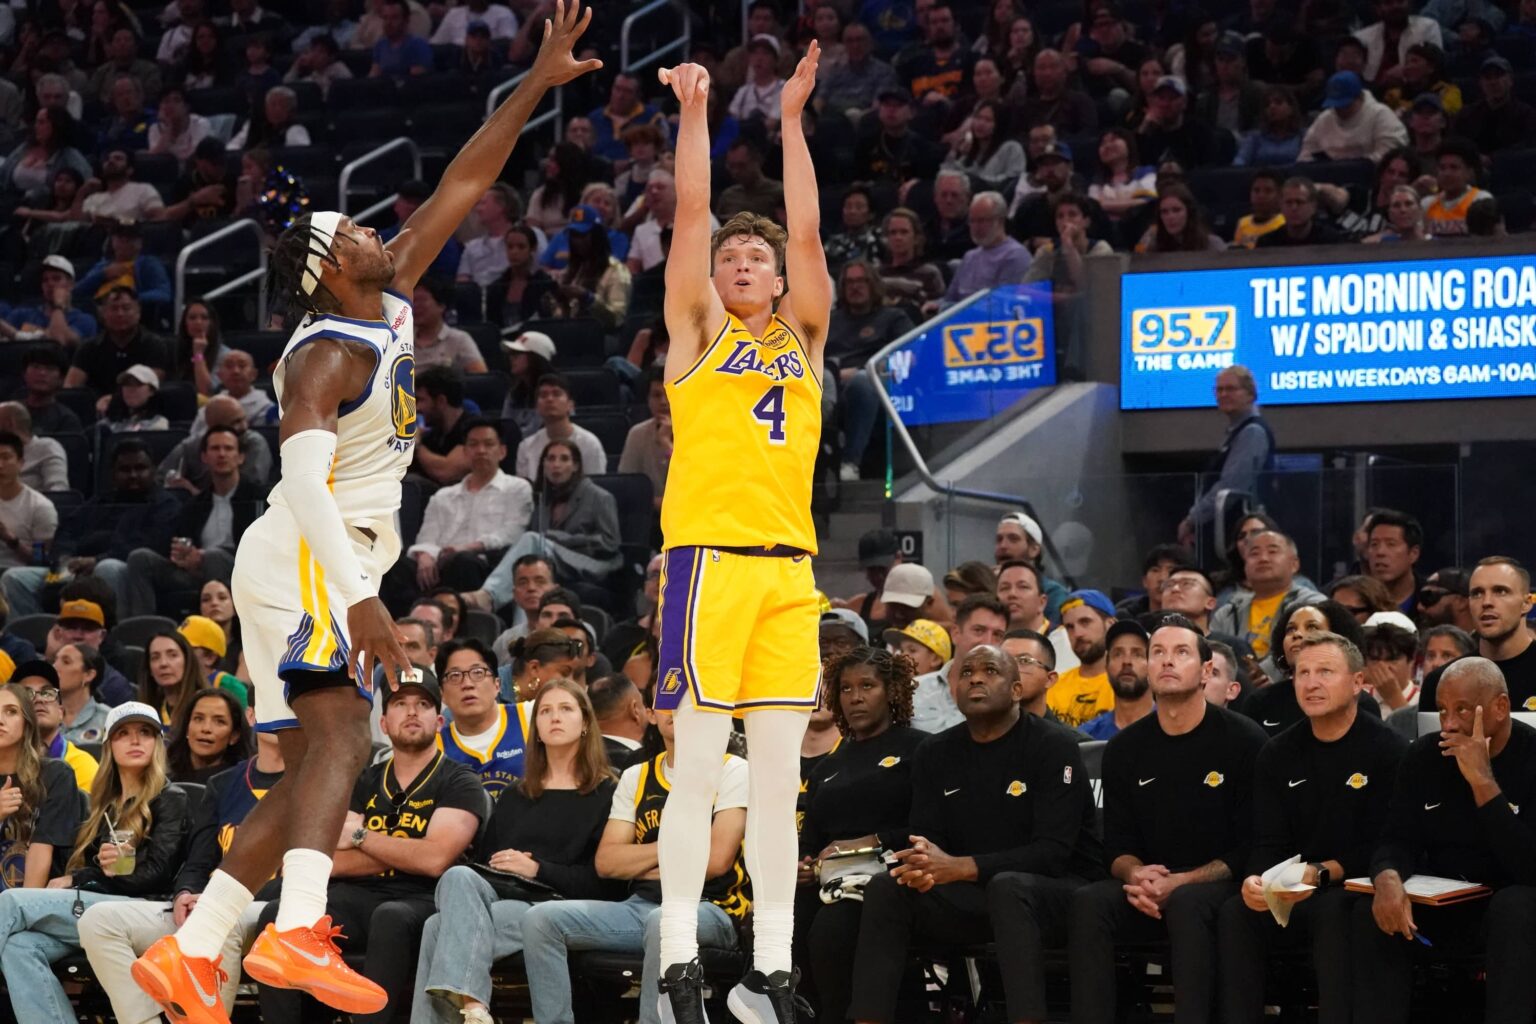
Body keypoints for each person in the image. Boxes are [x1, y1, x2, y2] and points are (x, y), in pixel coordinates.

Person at [130, 10, 602, 1022]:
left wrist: (535, 82)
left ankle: (194, 947)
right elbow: (298, 484)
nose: (378, 236)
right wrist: (362, 602)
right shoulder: (324, 354)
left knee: (307, 767)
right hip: (310, 551)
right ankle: (297, 930)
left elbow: (463, 184)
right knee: (347, 730)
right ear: (326, 272)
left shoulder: (380, 301)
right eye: (355, 236)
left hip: (307, 559)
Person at [648, 45, 831, 1022]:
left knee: (776, 784)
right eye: (732, 256)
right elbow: (688, 215)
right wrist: (694, 111)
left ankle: (773, 968)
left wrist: (794, 119)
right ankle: (679, 953)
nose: (745, 260)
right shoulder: (699, 333)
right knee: (697, 765)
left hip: (789, 573)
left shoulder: (803, 336)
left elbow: (806, 230)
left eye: (756, 255)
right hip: (709, 564)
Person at [840, 643, 1100, 1024]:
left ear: (1015, 690)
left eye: (990, 671)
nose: (976, 678)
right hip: (976, 897)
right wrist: (919, 866)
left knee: (1009, 887)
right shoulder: (935, 752)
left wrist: (961, 867)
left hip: (1056, 894)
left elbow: (1053, 852)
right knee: (888, 888)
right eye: (966, 672)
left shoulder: (1053, 745)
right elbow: (925, 838)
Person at [254, 667, 484, 1024]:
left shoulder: (459, 780)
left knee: (390, 917)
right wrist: (408, 849)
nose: (411, 712)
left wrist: (361, 838)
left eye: (422, 704)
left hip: (424, 897)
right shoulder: (363, 780)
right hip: (356, 896)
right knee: (279, 916)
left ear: (439, 721)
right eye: (400, 704)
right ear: (385, 723)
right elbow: (324, 859)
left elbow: (435, 860)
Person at [1069, 616, 1269, 1024]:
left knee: (1186, 903)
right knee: (1090, 901)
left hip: (1221, 885)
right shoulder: (1124, 748)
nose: (1166, 662)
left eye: (1181, 653)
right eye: (1156, 653)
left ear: (1206, 670)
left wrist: (1180, 881)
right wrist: (1137, 874)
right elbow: (1116, 846)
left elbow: (1253, 844)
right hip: (1151, 885)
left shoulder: (1246, 741)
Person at [1218, 631, 1407, 1024]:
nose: (1311, 683)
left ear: (1358, 683)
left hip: (1351, 886)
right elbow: (1267, 840)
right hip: (1293, 884)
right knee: (1238, 911)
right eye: (1302, 673)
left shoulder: (1388, 749)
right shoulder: (1277, 752)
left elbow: (1385, 842)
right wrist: (1257, 879)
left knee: (1334, 910)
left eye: (1325, 671)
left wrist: (1321, 873)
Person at [410, 679, 616, 1024]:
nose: (554, 718)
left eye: (566, 709)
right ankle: (473, 1007)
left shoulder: (607, 792)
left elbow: (605, 884)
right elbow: (483, 866)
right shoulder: (515, 794)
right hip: (504, 898)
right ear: (535, 727)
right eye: (545, 711)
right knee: (458, 877)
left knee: (437, 928)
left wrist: (537, 869)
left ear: (585, 724)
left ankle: (472, 1005)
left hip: (557, 907)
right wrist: (505, 870)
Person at [1352, 657, 1536, 1023]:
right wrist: (1387, 879)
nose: (1449, 724)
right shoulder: (1424, 756)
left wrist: (1483, 782)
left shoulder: (1531, 755)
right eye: (1442, 711)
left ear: (1500, 707)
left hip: (1507, 908)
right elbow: (1396, 838)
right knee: (1369, 909)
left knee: (1517, 906)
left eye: (1463, 710)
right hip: (1442, 904)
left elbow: (1529, 868)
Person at [78, 729, 285, 1024]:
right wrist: (185, 893)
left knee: (219, 918)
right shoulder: (224, 784)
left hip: (264, 907)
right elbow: (199, 861)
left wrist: (220, 901)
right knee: (97, 921)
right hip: (205, 905)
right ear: (252, 716)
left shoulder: (316, 782)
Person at [0, 702, 190, 1023]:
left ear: (158, 744)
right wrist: (86, 875)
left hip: (148, 909)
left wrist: (90, 876)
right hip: (100, 909)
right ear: (109, 746)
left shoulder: (171, 798)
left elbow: (159, 876)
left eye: (145, 733)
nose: (134, 741)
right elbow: (96, 873)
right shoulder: (101, 805)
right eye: (123, 734)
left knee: (12, 902)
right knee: (20, 946)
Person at [121, 426, 260, 618]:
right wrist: (184, 556)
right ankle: (143, 626)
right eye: (215, 449)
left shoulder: (258, 498)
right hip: (196, 571)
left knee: (213, 556)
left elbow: (262, 548)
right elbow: (179, 540)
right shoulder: (195, 504)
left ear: (240, 457)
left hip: (240, 570)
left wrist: (203, 557)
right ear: (204, 457)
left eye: (228, 449)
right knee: (140, 558)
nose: (221, 454)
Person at [410, 419, 531, 594]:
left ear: (502, 452)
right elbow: (426, 538)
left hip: (485, 562)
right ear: (465, 452)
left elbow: (512, 533)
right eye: (473, 445)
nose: (481, 451)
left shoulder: (517, 488)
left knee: (463, 561)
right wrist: (424, 556)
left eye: (488, 444)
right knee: (400, 566)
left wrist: (469, 547)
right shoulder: (443, 496)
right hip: (440, 562)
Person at [1419, 556, 1536, 712]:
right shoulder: (1441, 682)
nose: (1486, 602)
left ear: (1527, 603)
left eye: (1500, 591)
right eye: (1477, 593)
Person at [1177, 366, 1274, 550]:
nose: (1223, 394)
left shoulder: (1252, 432)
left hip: (1236, 538)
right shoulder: (1233, 433)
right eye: (1219, 389)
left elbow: (1230, 486)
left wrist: (1192, 520)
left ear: (1250, 394)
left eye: (1230, 389)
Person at [1248, 600, 1378, 735]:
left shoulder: (1360, 702)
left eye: (1312, 627)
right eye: (1290, 629)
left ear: (1339, 638)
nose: (1297, 634)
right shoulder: (1260, 702)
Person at [0, 682, 83, 889]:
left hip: (35, 900)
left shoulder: (55, 775)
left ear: (27, 722)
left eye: (11, 712)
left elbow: (41, 850)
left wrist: (22, 912)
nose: (0, 720)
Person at [1210, 531, 1320, 660]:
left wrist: (1265, 673)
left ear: (1294, 564)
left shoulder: (1314, 605)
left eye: (1272, 551)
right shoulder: (1227, 612)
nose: (1263, 558)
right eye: (1254, 554)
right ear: (1245, 566)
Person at [911, 594, 1008, 733]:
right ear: (956, 633)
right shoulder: (913, 691)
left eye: (997, 635)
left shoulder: (1008, 699)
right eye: (979, 630)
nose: (987, 641)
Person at [14, 663, 99, 790]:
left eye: (47, 693)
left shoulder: (81, 764)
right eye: (27, 693)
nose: (39, 699)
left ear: (60, 713)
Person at [1300, 71, 1409, 161]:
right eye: (1336, 105)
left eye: (1345, 105)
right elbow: (1307, 153)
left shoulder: (1381, 115)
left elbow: (1390, 157)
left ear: (1359, 97)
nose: (1340, 110)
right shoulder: (1325, 118)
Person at [1049, 589, 1118, 728]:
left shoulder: (1126, 685)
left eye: (1085, 622)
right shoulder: (1053, 686)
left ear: (1110, 624)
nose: (1077, 633)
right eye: (1069, 627)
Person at [1081, 619, 1153, 740]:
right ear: (1106, 666)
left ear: (1154, 666)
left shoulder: (1173, 729)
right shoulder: (1087, 737)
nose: (1127, 662)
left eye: (1137, 654)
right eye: (1118, 654)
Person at [165, 687, 250, 785]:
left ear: (234, 736)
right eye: (198, 719)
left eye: (219, 722)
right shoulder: (163, 782)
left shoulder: (241, 785)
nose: (206, 729)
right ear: (187, 729)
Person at [0, 431, 56, 573]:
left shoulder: (40, 506)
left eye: (5, 457)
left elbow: (41, 560)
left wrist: (10, 539)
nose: (0, 465)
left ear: (21, 463)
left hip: (18, 573)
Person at [412, 278, 486, 373]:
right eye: (413, 300)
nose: (415, 306)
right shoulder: (400, 339)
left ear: (441, 305)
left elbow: (481, 377)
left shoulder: (459, 340)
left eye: (421, 300)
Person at [1365, 509, 1423, 612]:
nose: (1380, 552)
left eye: (1391, 544)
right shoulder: (1355, 602)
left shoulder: (1430, 602)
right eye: (1374, 544)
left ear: (1414, 554)